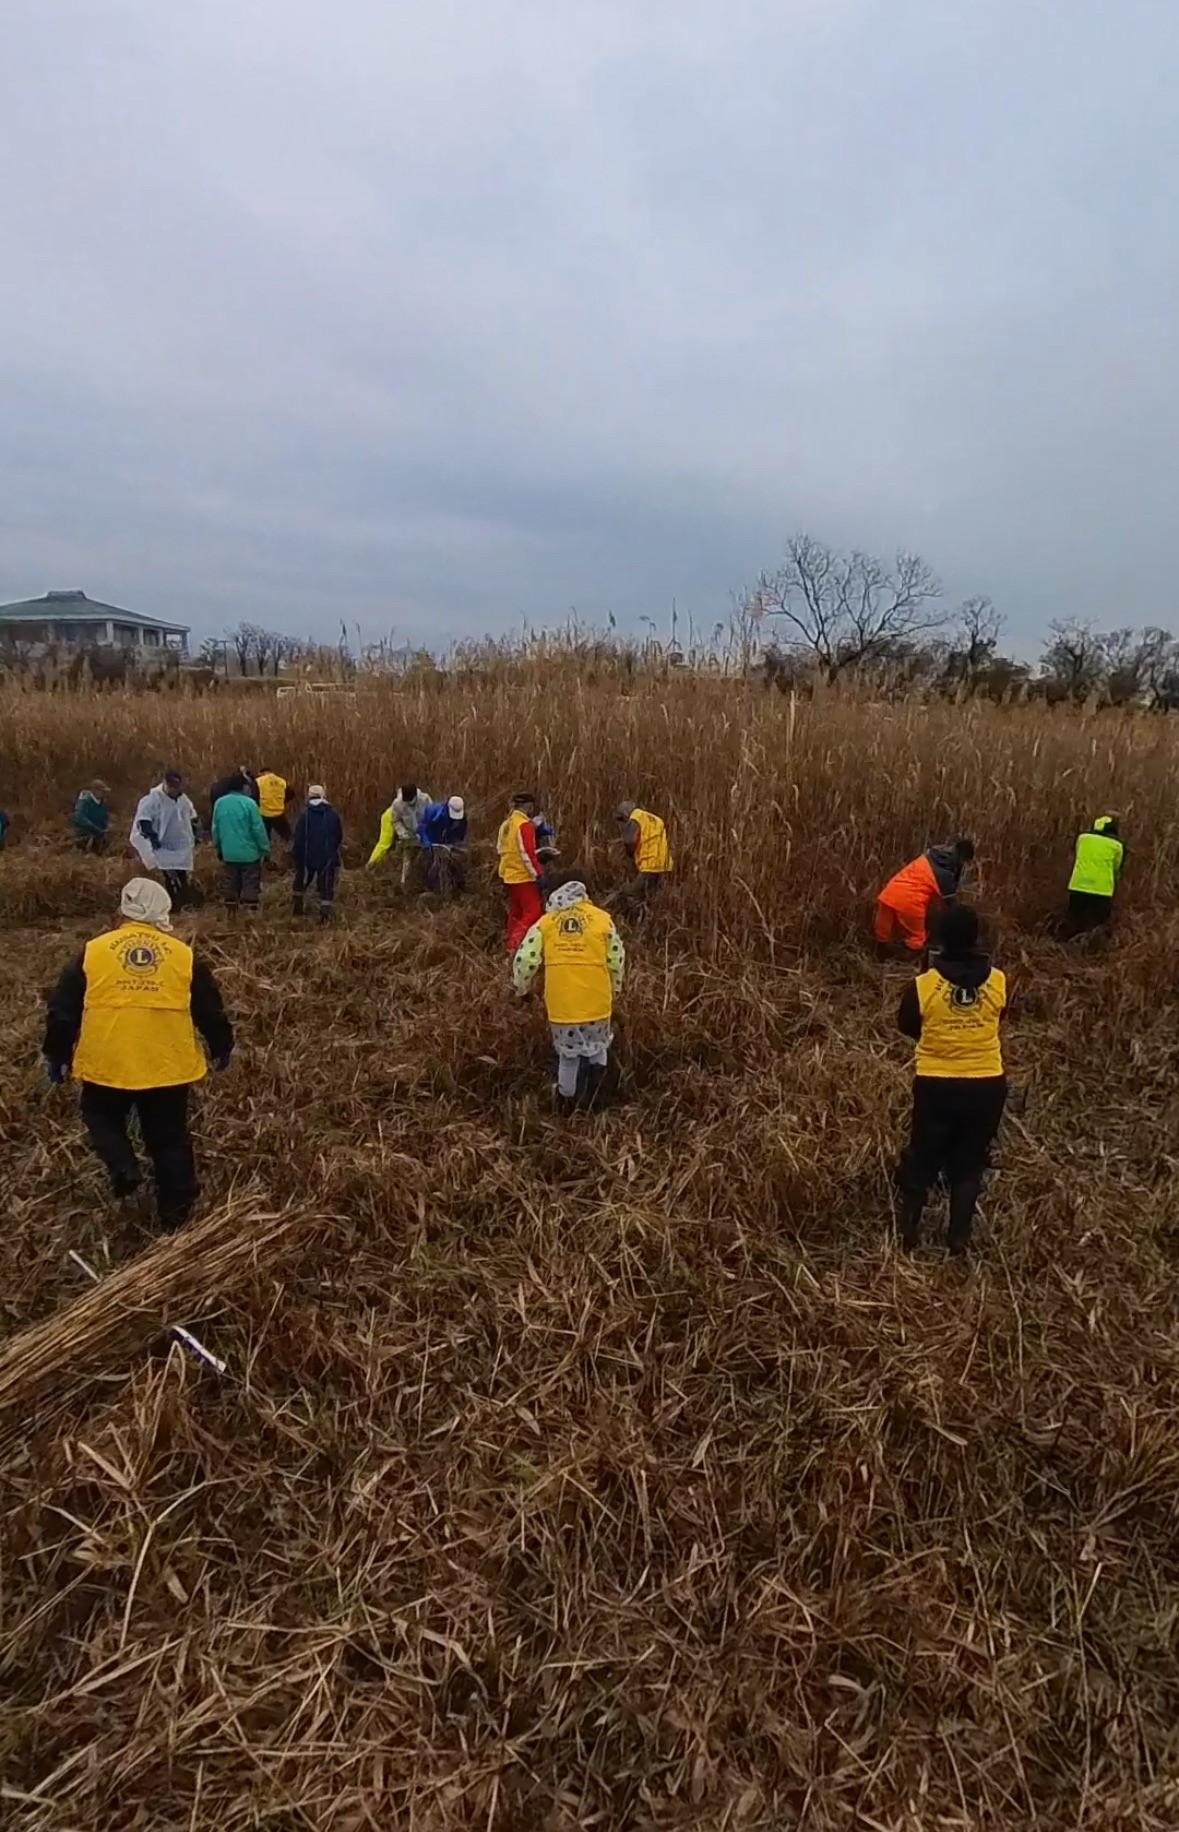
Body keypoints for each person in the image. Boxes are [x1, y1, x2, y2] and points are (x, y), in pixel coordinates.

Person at [42, 877, 233, 1232]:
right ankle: (176, 1214)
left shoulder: (93, 951)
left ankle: (123, 1167)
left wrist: (57, 1053)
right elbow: (209, 1009)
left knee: (100, 1115)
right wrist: (222, 1046)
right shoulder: (183, 956)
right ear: (162, 909)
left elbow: (63, 1009)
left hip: (107, 1060)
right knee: (169, 1137)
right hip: (167, 1063)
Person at [895, 904, 1007, 1256]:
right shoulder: (1000, 980)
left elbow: (908, 1026)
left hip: (935, 1083)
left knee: (923, 1156)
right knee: (970, 1161)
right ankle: (958, 1238)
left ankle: (908, 1236)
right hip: (988, 1082)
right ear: (976, 937)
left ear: (940, 937)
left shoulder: (923, 984)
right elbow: (998, 1017)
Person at [512, 872, 625, 1114]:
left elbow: (524, 959)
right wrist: (616, 987)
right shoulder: (602, 919)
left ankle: (566, 1105)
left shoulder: (546, 923)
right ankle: (599, 1098)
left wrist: (522, 988)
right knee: (598, 1048)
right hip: (597, 1002)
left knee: (568, 1057)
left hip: (563, 1006)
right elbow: (617, 958)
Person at [875, 838, 975, 956]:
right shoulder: (945, 875)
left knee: (883, 933)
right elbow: (950, 905)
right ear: (963, 858)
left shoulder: (931, 855)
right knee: (917, 940)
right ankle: (905, 960)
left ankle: (880, 954)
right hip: (910, 901)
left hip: (889, 893)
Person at [130, 771, 200, 907]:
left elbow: (192, 817)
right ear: (166, 784)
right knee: (168, 874)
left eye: (178, 787)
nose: (176, 790)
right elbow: (144, 820)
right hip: (162, 846)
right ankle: (172, 903)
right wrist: (152, 837)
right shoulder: (152, 800)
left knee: (181, 873)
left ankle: (183, 901)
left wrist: (196, 833)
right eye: (173, 787)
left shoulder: (183, 800)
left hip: (180, 844)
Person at [210, 772, 270, 914]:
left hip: (229, 853)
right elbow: (258, 830)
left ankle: (231, 914)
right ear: (243, 787)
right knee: (250, 883)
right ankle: (249, 914)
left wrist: (218, 847)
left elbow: (215, 828)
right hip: (249, 854)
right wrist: (265, 850)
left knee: (231, 883)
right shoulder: (249, 804)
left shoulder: (220, 803)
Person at [498, 791, 544, 952]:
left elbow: (501, 849)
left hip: (508, 875)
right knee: (533, 911)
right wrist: (537, 874)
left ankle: (510, 945)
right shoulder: (524, 825)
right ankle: (516, 943)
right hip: (523, 876)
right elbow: (527, 854)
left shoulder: (507, 823)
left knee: (516, 912)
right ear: (528, 806)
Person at [292, 784, 344, 921]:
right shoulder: (332, 815)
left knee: (301, 880)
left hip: (306, 856)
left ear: (309, 796)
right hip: (327, 856)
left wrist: (296, 854)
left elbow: (298, 837)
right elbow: (338, 835)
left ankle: (297, 908)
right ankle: (324, 913)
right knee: (326, 884)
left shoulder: (304, 815)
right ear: (323, 795)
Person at [1066, 815, 1124, 934]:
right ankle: (1095, 948)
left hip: (1078, 885)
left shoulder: (1082, 838)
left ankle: (1070, 945)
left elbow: (1078, 854)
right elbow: (1116, 867)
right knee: (1098, 924)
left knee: (1074, 920)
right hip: (1102, 889)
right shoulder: (1117, 846)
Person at [367, 783, 432, 888]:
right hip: (392, 821)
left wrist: (425, 832)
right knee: (385, 844)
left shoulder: (425, 799)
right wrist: (402, 833)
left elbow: (431, 815)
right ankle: (371, 865)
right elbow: (396, 820)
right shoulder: (397, 804)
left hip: (420, 832)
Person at [615, 801, 674, 911]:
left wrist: (629, 854)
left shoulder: (634, 819)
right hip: (665, 865)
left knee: (630, 893)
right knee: (652, 896)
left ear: (624, 814)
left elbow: (630, 841)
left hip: (649, 865)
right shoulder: (655, 818)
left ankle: (635, 921)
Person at [417, 795, 468, 894]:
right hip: (432, 842)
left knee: (454, 864)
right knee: (431, 865)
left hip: (448, 844)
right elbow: (422, 827)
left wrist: (455, 844)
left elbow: (460, 833)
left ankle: (457, 888)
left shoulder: (461, 819)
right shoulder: (434, 812)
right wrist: (427, 843)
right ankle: (429, 887)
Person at [255, 767, 291, 846]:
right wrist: (281, 801)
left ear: (262, 773)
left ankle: (266, 855)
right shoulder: (281, 781)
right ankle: (288, 851)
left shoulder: (259, 781)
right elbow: (291, 793)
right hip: (279, 812)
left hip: (264, 812)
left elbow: (254, 795)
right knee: (287, 835)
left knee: (264, 837)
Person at [72, 780, 111, 853]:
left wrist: (106, 827)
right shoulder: (84, 802)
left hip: (98, 837)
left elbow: (104, 818)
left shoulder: (102, 803)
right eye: (102, 791)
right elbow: (79, 818)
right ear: (95, 790)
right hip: (84, 838)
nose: (104, 794)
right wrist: (94, 828)